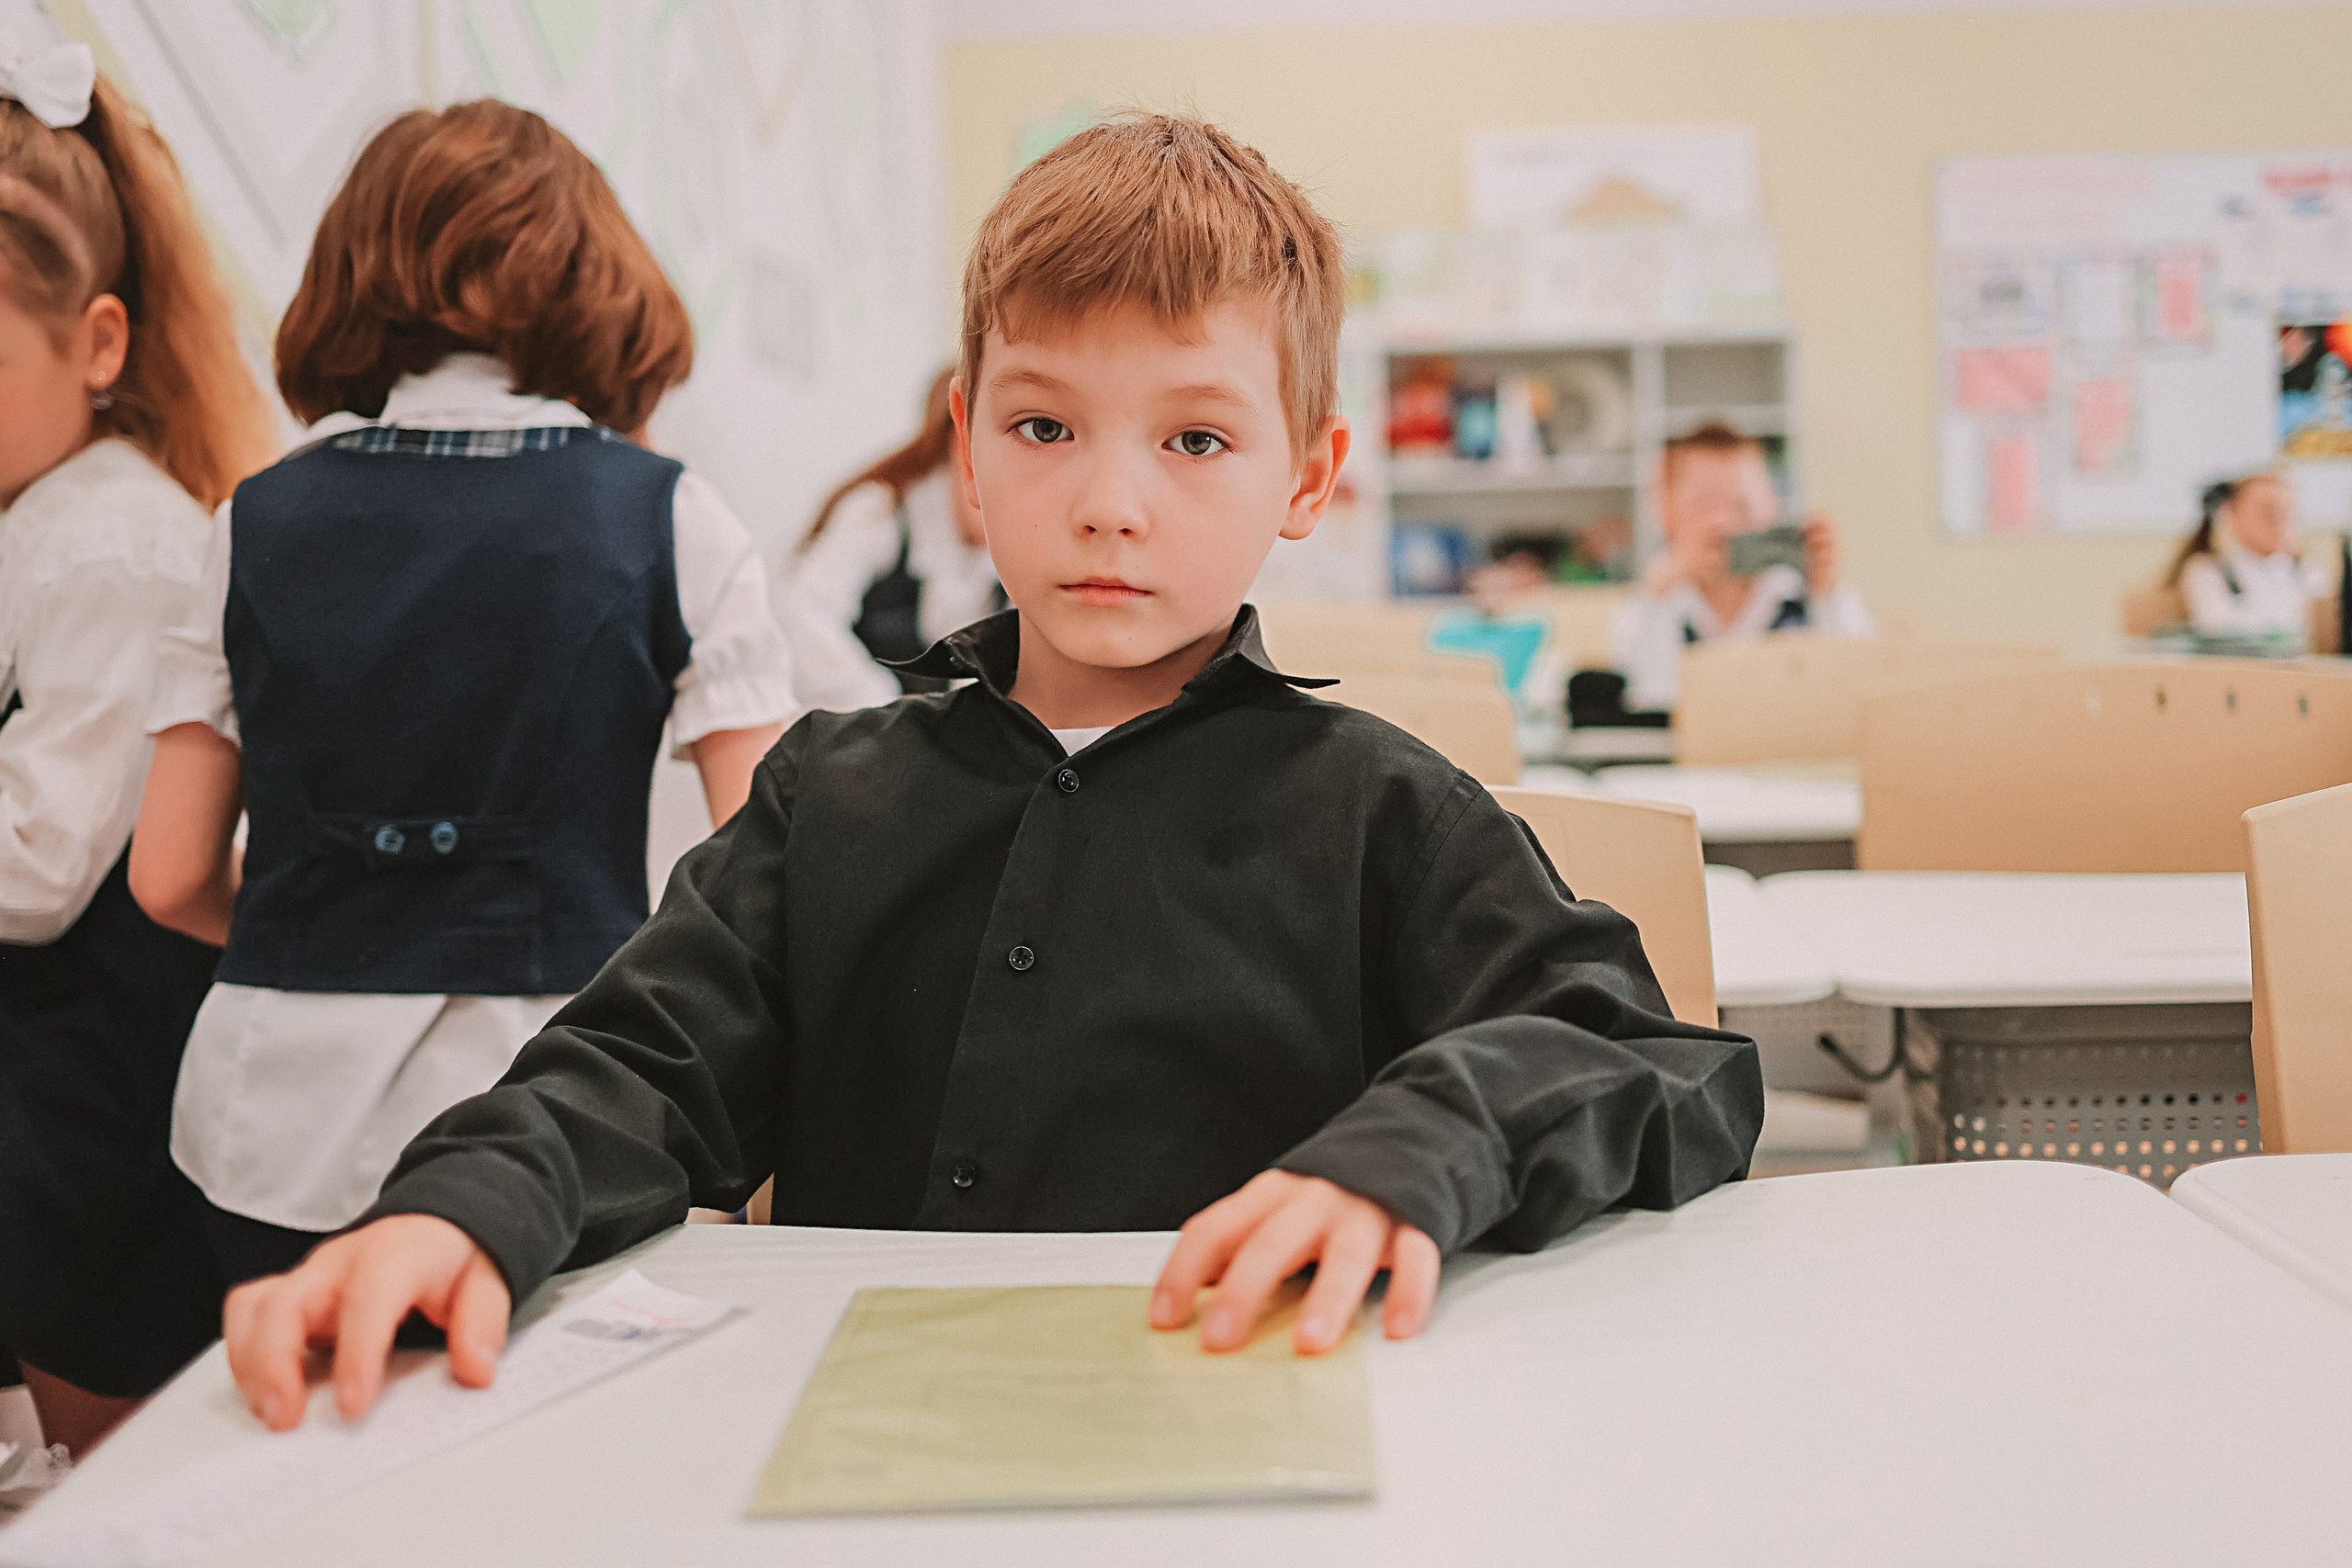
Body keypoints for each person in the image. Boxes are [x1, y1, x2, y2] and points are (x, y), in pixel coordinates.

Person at [219, 112, 1762, 1432]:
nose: (1108, 502)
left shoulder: (1381, 807)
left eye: (1196, 441)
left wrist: (1414, 1155)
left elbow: (1651, 1056)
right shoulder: (828, 795)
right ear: (966, 447)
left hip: (1242, 1431)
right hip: (861, 1441)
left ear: (1309, 474)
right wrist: (464, 1207)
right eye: (1044, 425)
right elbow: (631, 1068)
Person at [127, 101, 799, 1294]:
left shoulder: (251, 520)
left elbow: (169, 874)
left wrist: (331, 924)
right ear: (595, 277)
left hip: (273, 1119)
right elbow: (771, 876)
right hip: (570, 1110)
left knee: (312, 1412)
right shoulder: (669, 516)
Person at [0, 46, 277, 1456]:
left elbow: (42, 859)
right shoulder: (44, 515)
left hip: (92, 1084)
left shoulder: (108, 537)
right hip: (57, 1068)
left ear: (98, 342)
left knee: (109, 1458)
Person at [1610, 422, 1871, 711]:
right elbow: (1647, 700)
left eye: (1741, 506)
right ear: (1667, 511)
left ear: (1772, 505)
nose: (1723, 523)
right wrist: (1656, 597)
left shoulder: (1810, 599)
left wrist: (1826, 595)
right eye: (1704, 505)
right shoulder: (1648, 606)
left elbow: (1857, 689)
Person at [781, 368, 1003, 706]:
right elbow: (803, 617)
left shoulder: (1003, 566)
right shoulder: (880, 512)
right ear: (961, 445)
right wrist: (883, 707)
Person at [2165, 472, 2324, 643]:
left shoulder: (2305, 572)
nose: (2279, 521)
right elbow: (2217, 629)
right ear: (2231, 513)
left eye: (2287, 511)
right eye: (2267, 511)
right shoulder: (2207, 571)